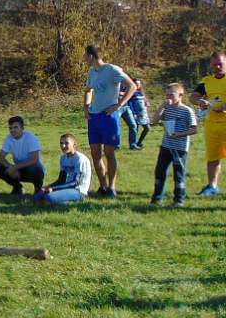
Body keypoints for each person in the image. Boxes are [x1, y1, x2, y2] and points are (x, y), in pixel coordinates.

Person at [192, 52, 226, 196]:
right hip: (211, 124)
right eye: (214, 64)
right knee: (212, 157)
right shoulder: (206, 80)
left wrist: (223, 107)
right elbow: (193, 96)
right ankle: (212, 186)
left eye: (220, 64)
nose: (217, 67)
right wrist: (200, 102)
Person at [84, 44, 135, 197]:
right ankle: (103, 186)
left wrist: (119, 105)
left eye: (85, 55)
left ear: (91, 56)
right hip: (94, 117)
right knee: (95, 153)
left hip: (108, 117)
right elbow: (88, 90)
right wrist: (86, 108)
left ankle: (112, 187)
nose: (83, 58)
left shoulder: (112, 70)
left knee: (109, 153)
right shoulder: (92, 72)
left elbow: (131, 86)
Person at [149, 83, 198, 207]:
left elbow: (194, 129)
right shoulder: (167, 109)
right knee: (160, 171)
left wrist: (180, 134)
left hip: (180, 147)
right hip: (166, 145)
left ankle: (179, 199)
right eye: (167, 95)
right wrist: (162, 107)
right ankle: (156, 199)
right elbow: (154, 121)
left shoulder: (187, 111)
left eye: (171, 94)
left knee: (178, 173)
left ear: (180, 95)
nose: (169, 97)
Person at [33, 133, 92, 205]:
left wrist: (54, 189)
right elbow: (61, 180)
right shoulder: (63, 158)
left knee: (48, 197)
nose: (63, 146)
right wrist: (48, 186)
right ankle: (56, 200)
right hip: (67, 187)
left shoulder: (79, 159)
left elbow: (75, 182)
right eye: (61, 143)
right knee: (37, 196)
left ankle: (75, 200)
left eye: (66, 143)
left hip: (78, 189)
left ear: (74, 144)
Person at [0, 116, 45, 196]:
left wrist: (15, 167)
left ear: (22, 128)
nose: (12, 130)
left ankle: (38, 188)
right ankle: (17, 187)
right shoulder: (9, 138)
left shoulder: (30, 137)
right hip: (19, 169)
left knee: (36, 168)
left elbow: (34, 159)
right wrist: (10, 167)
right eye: (10, 128)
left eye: (15, 127)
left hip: (33, 169)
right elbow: (0, 158)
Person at [120, 80, 150, 150]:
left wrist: (146, 102)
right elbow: (129, 103)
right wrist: (133, 112)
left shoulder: (141, 93)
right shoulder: (131, 93)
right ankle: (133, 144)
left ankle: (138, 142)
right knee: (135, 127)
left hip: (143, 114)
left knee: (147, 128)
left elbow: (144, 101)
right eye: (136, 84)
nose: (137, 85)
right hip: (136, 113)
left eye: (139, 84)